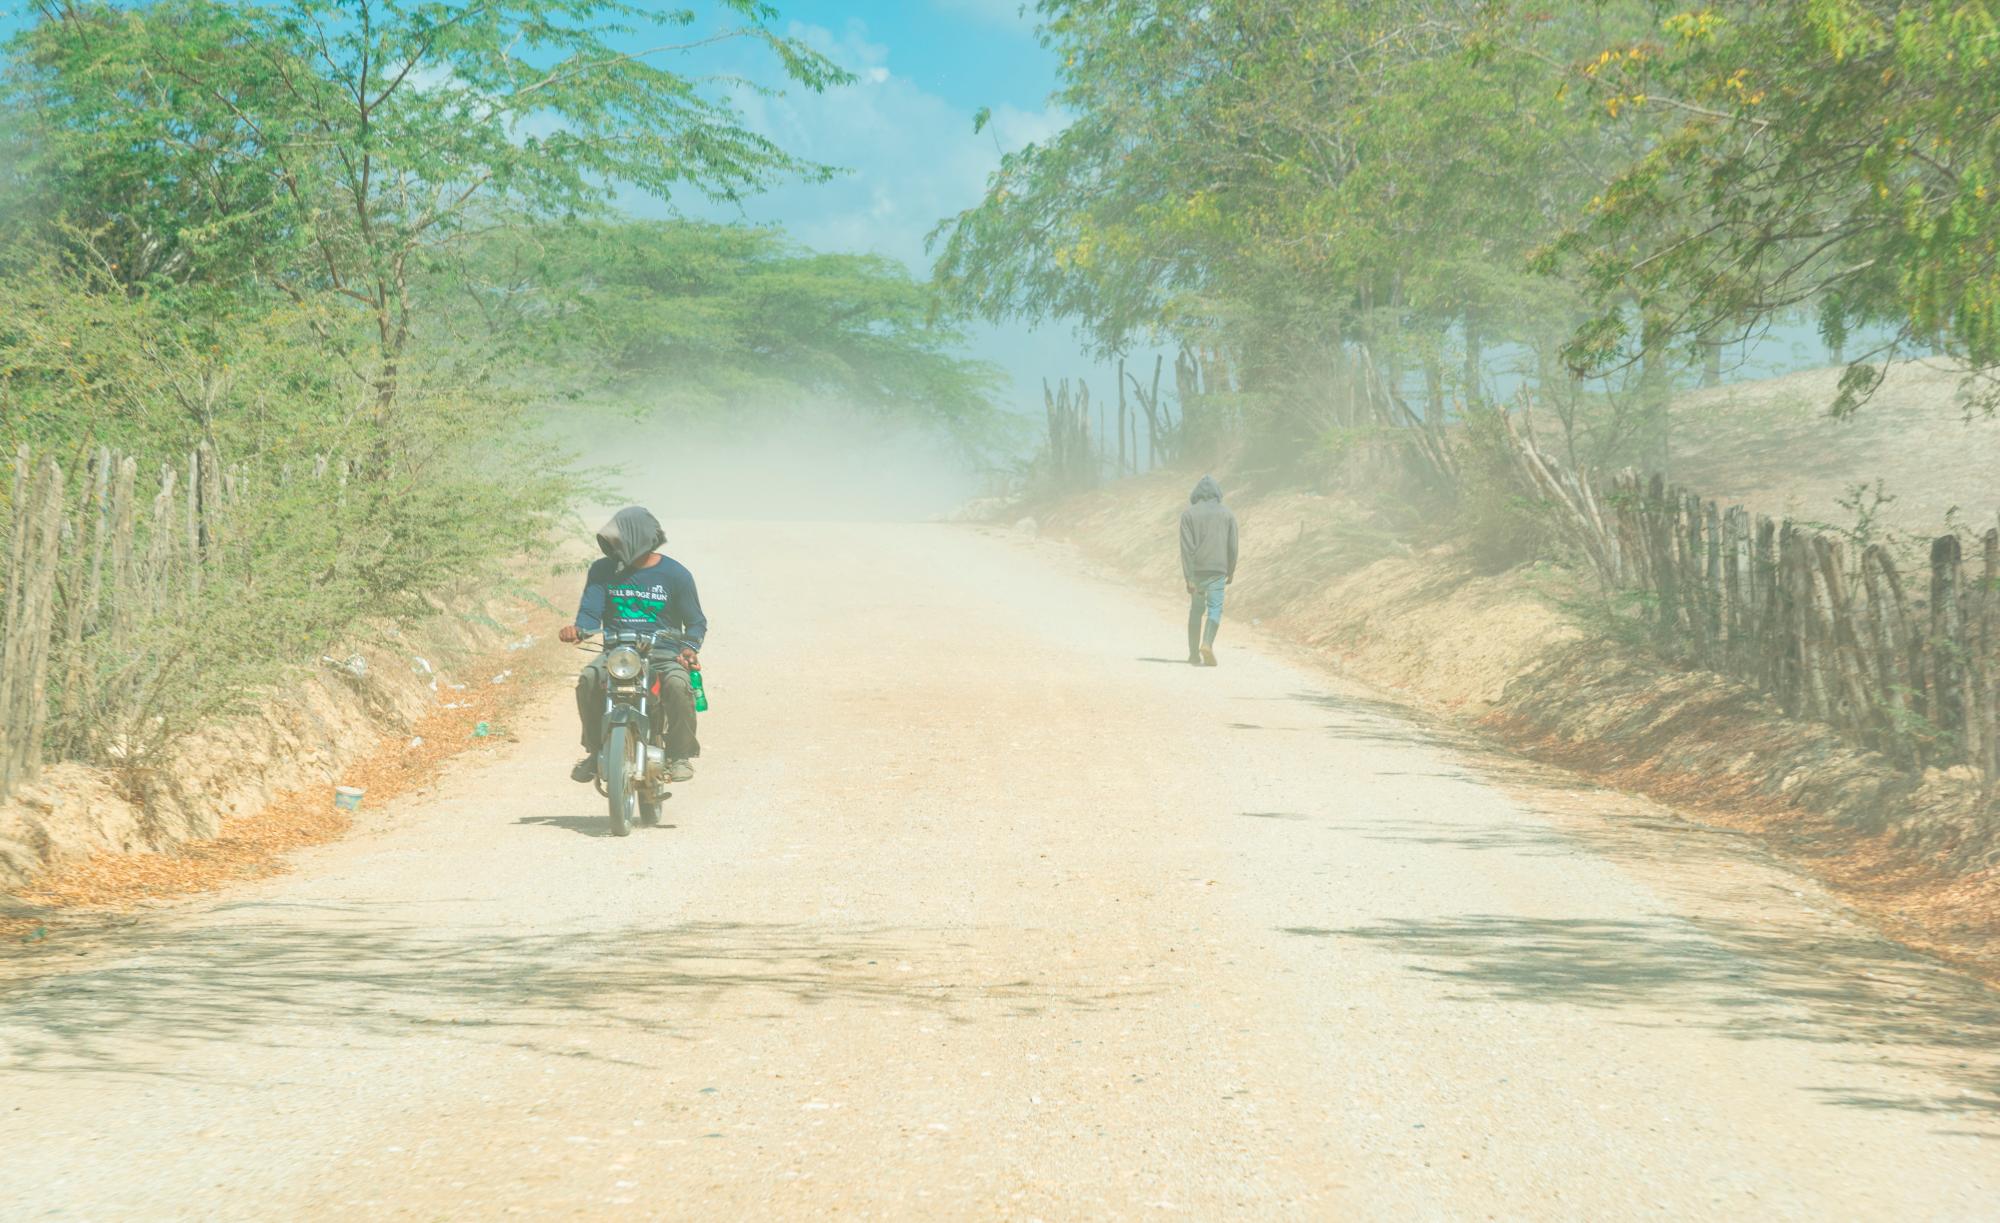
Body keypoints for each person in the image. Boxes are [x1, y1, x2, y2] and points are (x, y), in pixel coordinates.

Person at [558, 506, 707, 784]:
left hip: (662, 652)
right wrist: (578, 630)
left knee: (678, 685)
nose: (614, 547)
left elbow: (696, 622)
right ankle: (594, 751)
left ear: (639, 539)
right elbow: (590, 614)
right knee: (589, 679)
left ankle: (679, 756)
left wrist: (689, 647)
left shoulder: (676, 575)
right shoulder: (603, 570)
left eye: (619, 541)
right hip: (618, 653)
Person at [1180, 474, 1239, 667]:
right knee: (1215, 609)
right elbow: (1233, 546)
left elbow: (1186, 548)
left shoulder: (1188, 515)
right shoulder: (1227, 514)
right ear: (1217, 493)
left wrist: (1189, 576)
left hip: (1197, 571)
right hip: (1217, 571)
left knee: (1196, 610)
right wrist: (1230, 570)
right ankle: (1207, 643)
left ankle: (1193, 655)